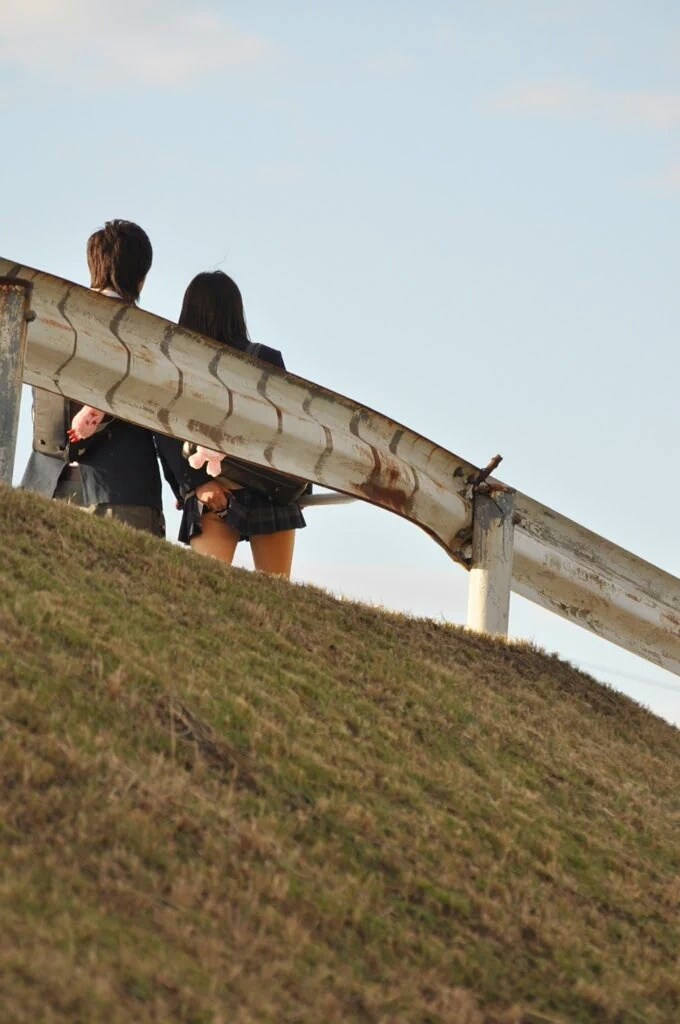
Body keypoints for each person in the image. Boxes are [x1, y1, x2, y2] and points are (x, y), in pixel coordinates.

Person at [155, 271, 305, 578]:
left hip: (210, 490)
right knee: (278, 595)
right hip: (269, 489)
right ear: (237, 311)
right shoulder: (265, 358)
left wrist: (193, 485)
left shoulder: (178, 366)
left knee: (207, 594)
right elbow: (289, 428)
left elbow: (163, 431)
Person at [21, 220, 165, 538]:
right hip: (122, 489)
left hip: (46, 485)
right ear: (141, 277)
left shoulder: (51, 322)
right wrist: (184, 486)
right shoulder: (147, 335)